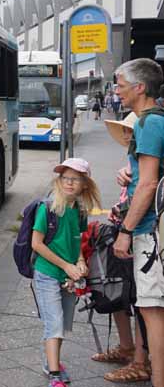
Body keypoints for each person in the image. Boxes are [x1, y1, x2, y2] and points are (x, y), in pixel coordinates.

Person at [112, 58, 164, 387]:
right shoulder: (155, 120)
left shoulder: (148, 123)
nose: (116, 91)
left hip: (149, 231)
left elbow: (147, 185)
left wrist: (125, 231)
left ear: (139, 88)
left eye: (120, 84)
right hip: (150, 227)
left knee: (151, 311)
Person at [91, 112, 151, 383]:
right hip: (123, 232)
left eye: (132, 131)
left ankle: (141, 361)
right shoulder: (132, 160)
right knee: (116, 291)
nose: (128, 136)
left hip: (138, 235)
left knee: (140, 302)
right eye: (125, 131)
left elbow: (145, 193)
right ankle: (127, 348)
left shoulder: (147, 159)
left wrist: (124, 226)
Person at [31, 158, 101, 387]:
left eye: (76, 179)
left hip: (69, 277)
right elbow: (37, 244)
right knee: (55, 323)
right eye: (65, 178)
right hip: (48, 273)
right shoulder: (49, 207)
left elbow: (77, 240)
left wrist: (80, 261)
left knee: (62, 324)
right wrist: (66, 266)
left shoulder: (80, 211)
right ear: (59, 181)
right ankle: (54, 374)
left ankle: (52, 363)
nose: (69, 183)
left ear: (84, 185)